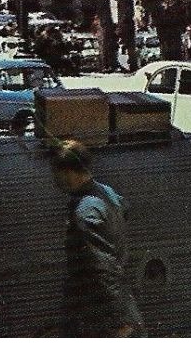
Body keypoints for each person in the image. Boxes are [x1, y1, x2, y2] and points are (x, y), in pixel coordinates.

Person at [50, 142, 141, 337]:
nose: (55, 180)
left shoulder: (86, 212)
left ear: (68, 172)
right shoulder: (106, 192)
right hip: (118, 300)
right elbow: (124, 207)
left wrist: (119, 320)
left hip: (98, 313)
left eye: (56, 173)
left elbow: (101, 266)